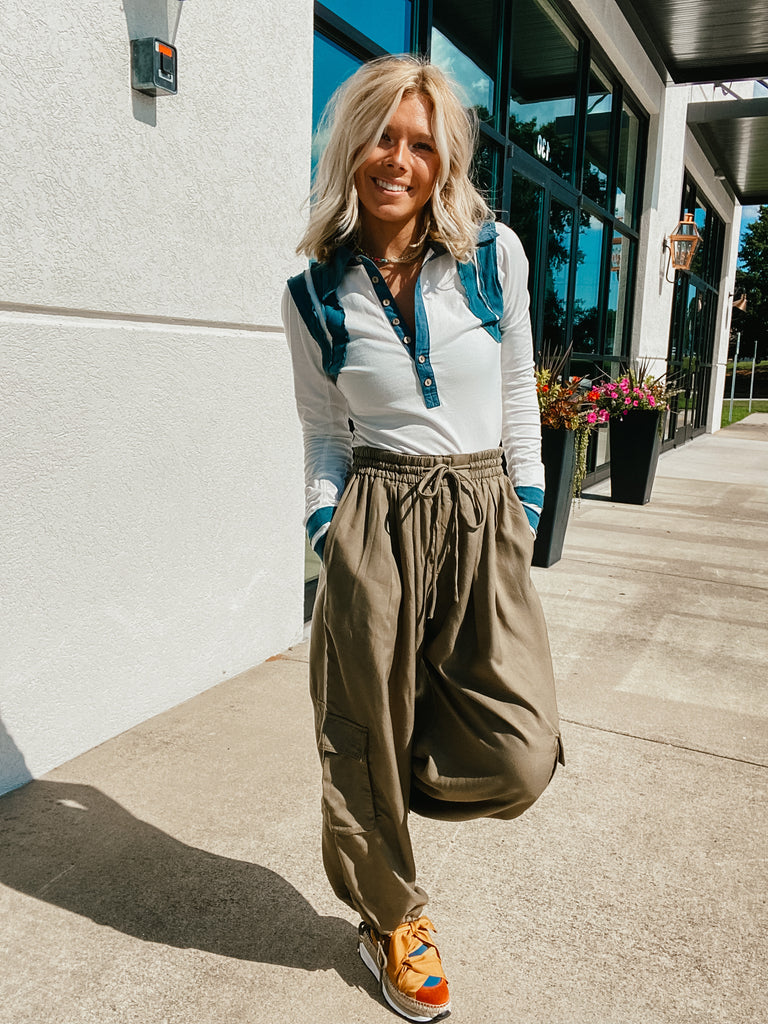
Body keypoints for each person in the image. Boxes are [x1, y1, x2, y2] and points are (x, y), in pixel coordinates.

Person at [282, 55, 563, 1023]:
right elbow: (323, 431)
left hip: (482, 513)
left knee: (523, 751)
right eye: (381, 136)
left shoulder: (494, 256)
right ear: (350, 147)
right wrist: (329, 531)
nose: (397, 159)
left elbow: (519, 391)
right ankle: (391, 917)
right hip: (375, 521)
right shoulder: (314, 294)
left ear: (443, 159)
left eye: (420, 143)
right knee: (360, 732)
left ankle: (381, 795)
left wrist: (523, 509)